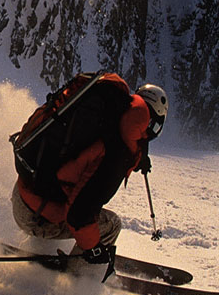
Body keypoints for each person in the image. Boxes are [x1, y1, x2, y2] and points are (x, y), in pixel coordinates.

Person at [11, 74, 168, 278]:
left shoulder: (108, 118)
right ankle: (80, 278)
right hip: (36, 217)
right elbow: (79, 216)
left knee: (73, 200)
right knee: (111, 225)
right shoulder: (116, 154)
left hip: (25, 192)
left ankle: (41, 245)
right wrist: (94, 249)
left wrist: (138, 154)